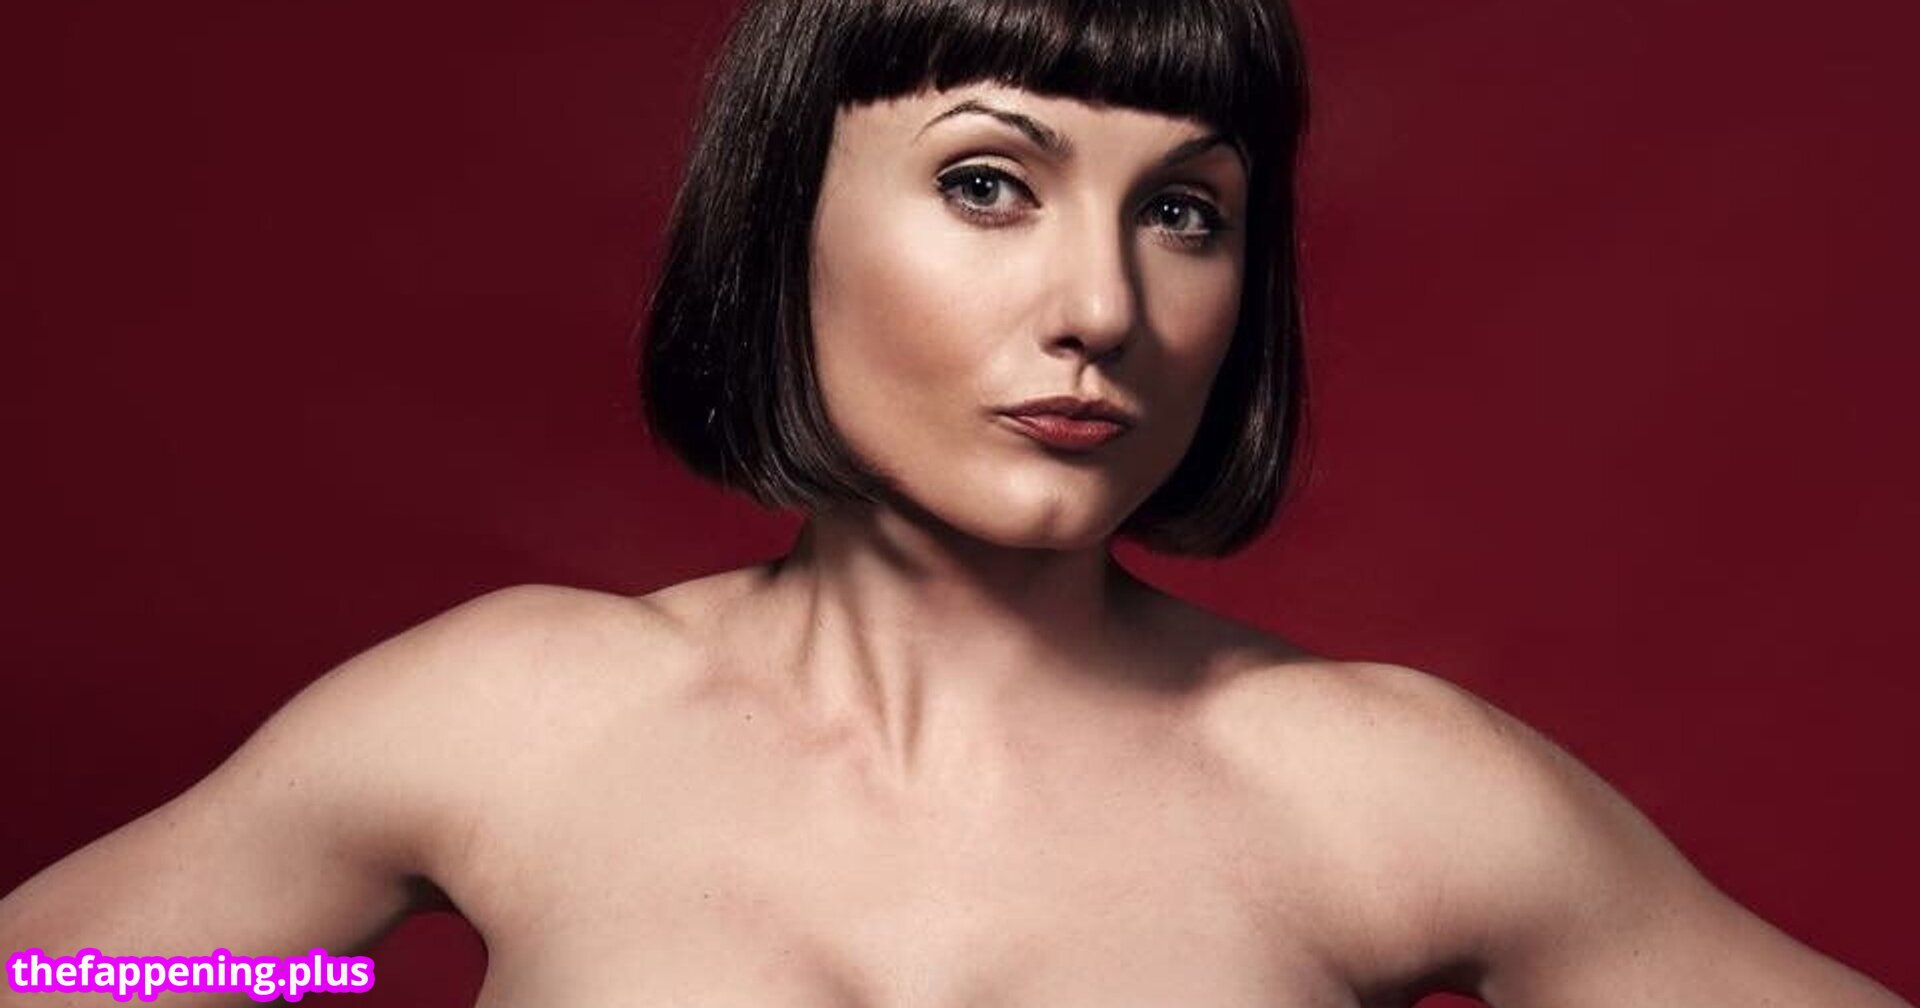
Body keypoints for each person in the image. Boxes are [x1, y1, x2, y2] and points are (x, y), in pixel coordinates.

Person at [1, 0, 1910, 1004]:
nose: (1103, 308)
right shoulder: (519, 721)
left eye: (1185, 211)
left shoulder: (1374, 795)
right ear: (786, 215)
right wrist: (296, 979)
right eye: (990, 181)